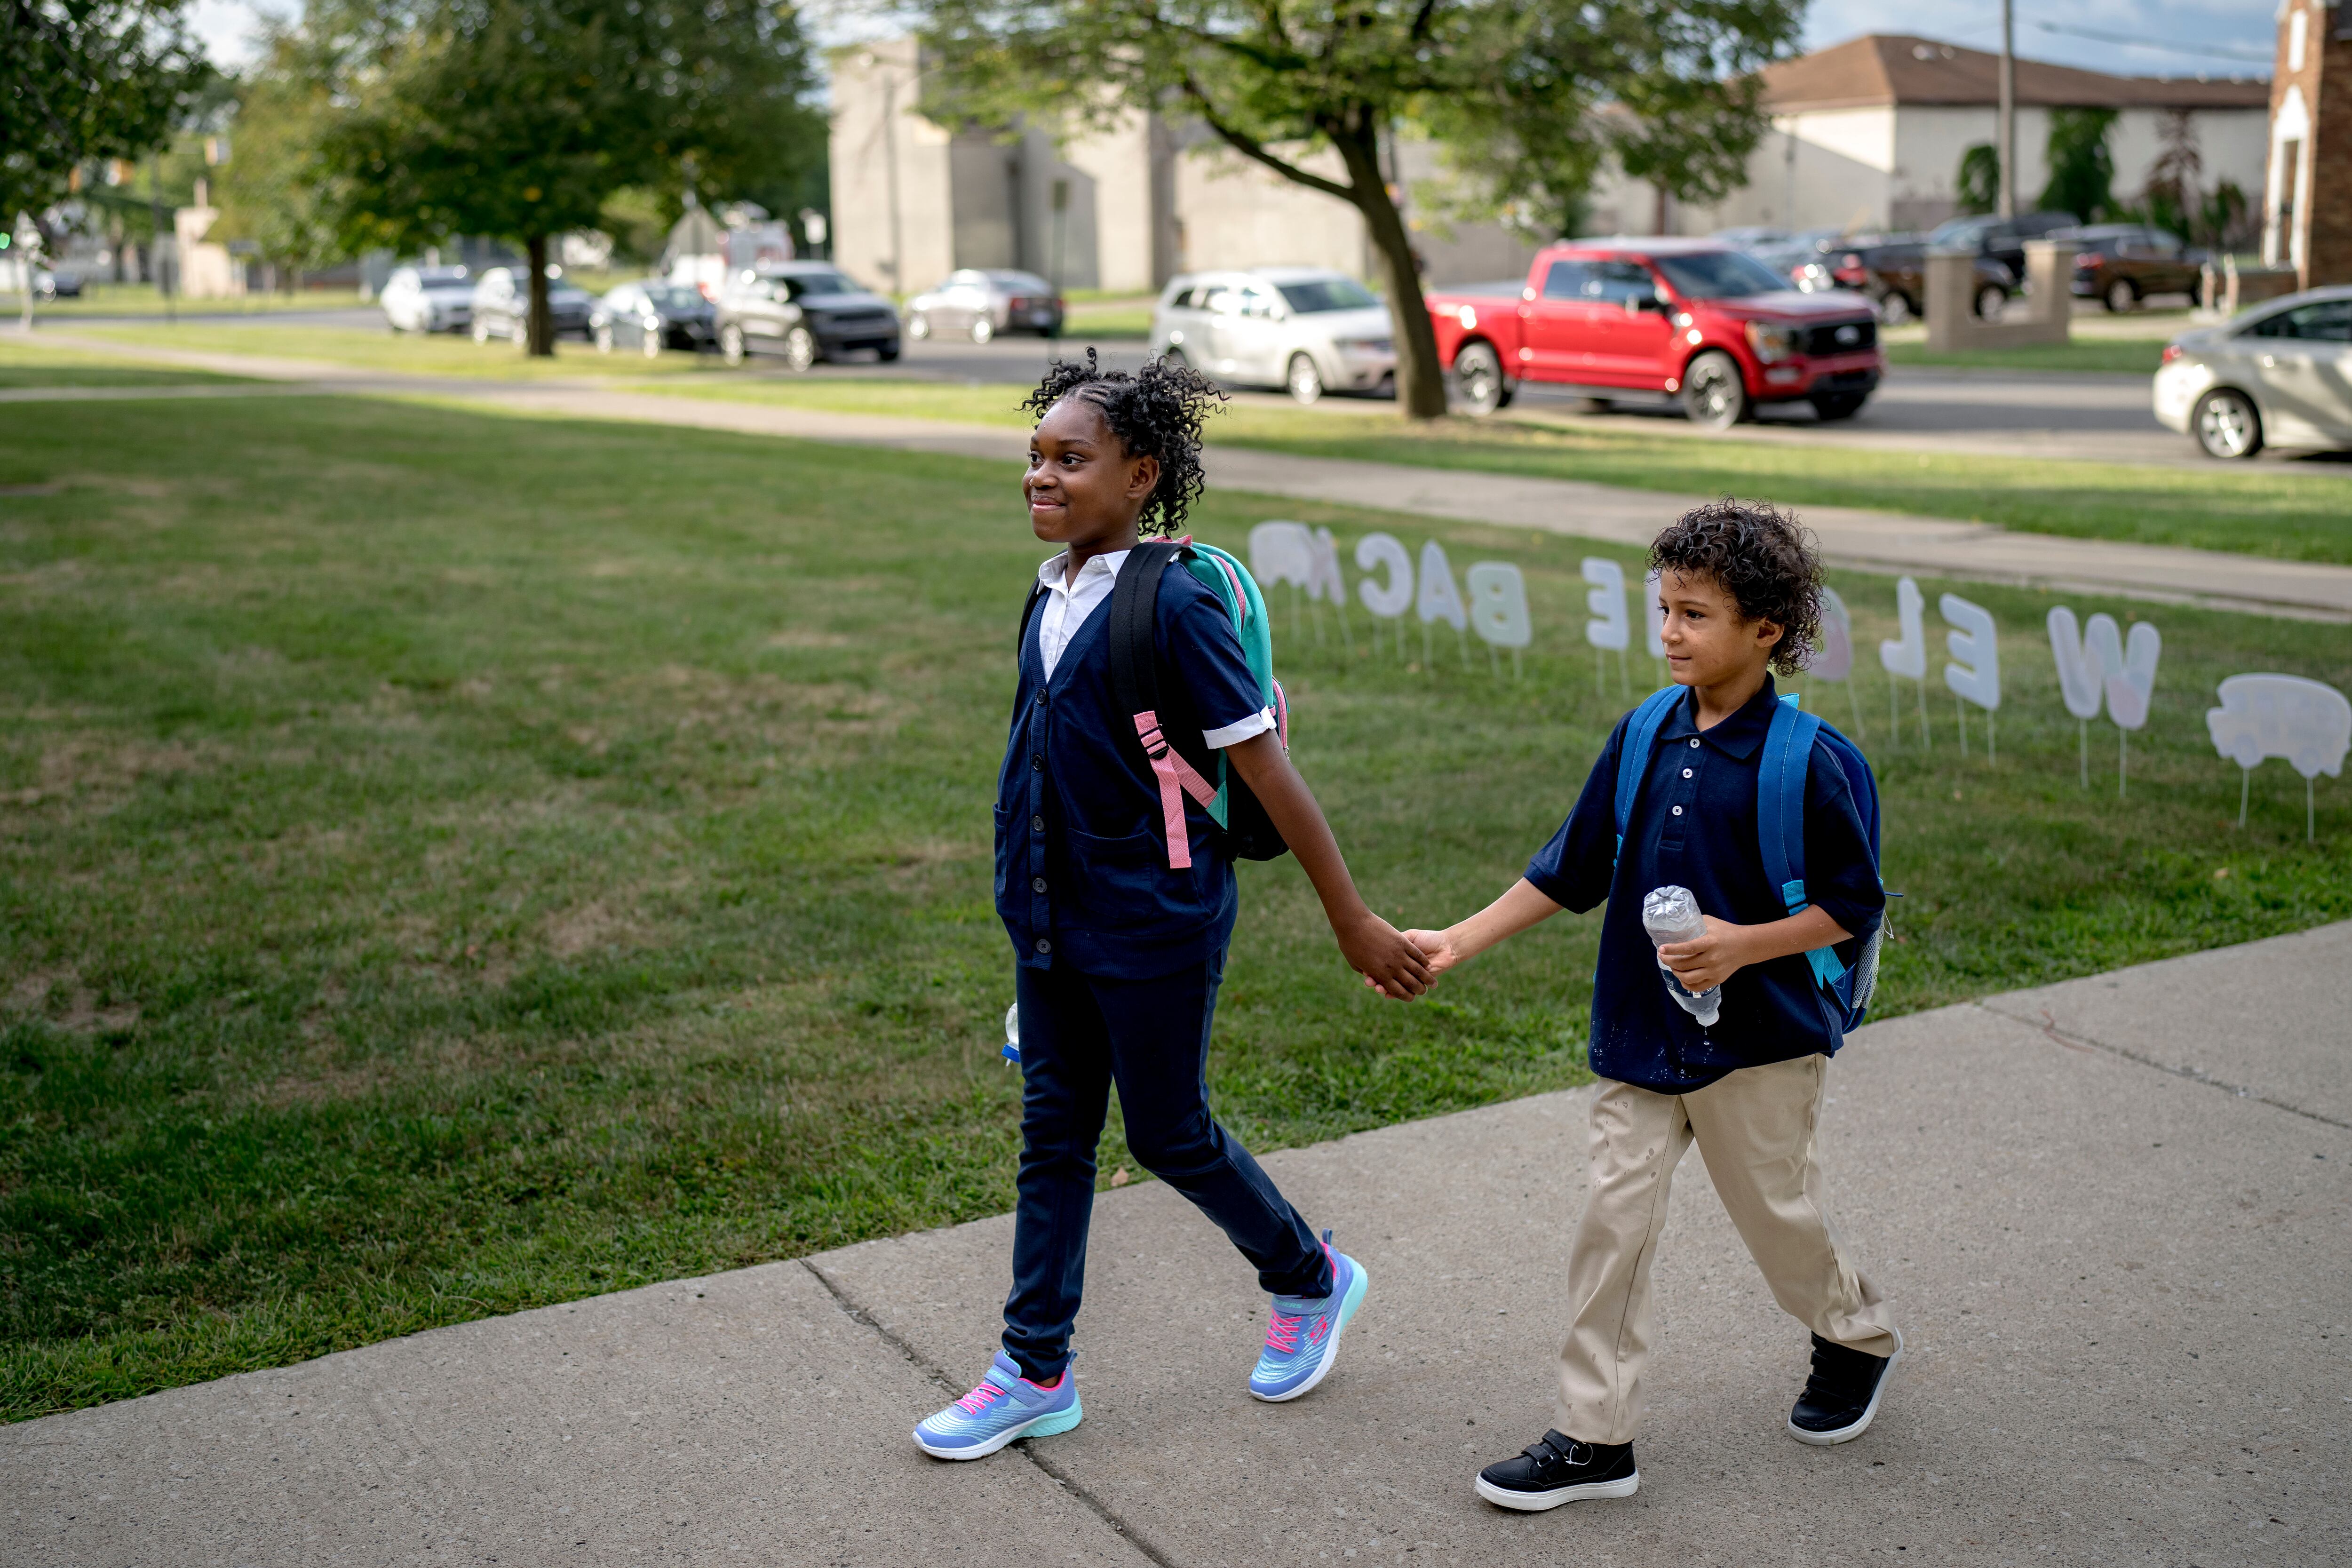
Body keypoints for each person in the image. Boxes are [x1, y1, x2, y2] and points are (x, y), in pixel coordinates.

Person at [913, 352, 1433, 1460]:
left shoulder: (1175, 599)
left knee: (1165, 1131)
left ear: (1141, 473)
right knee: (1052, 1136)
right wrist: (1031, 940)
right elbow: (1038, 755)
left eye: (1071, 459)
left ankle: (1310, 1276)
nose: (1040, 476)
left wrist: (1349, 918)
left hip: (1155, 916)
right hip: (1054, 918)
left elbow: (1268, 770)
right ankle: (1033, 1367)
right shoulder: (1049, 589)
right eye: (1035, 456)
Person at [1405, 500, 1897, 1511]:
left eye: (1695, 614)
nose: (1670, 631)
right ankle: (1596, 1436)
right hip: (1641, 1030)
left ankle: (1852, 1333)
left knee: (1778, 1220)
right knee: (1611, 1224)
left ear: (1767, 629)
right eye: (1663, 608)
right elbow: (1572, 866)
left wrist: (1741, 945)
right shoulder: (1642, 732)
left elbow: (1853, 906)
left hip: (1761, 1042)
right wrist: (1457, 938)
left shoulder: (1809, 760)